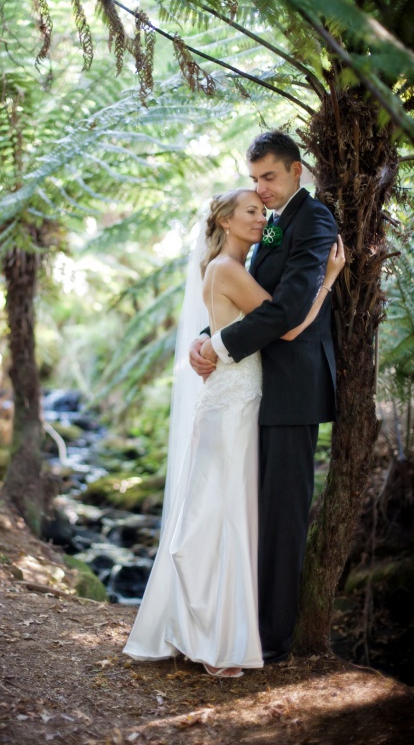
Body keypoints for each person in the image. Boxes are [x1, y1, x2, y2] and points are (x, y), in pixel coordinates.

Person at [123, 186, 344, 677]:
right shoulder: (227, 269)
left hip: (239, 400)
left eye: (263, 211)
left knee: (224, 513)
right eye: (250, 210)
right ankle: (212, 635)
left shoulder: (236, 266)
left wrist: (209, 342)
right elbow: (287, 326)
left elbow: (230, 325)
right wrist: (327, 281)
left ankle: (201, 628)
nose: (261, 215)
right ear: (225, 220)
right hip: (235, 402)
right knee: (220, 514)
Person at [191, 132, 339, 664]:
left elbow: (288, 311)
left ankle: (274, 638)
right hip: (255, 387)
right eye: (254, 180)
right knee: (254, 510)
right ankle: (242, 619)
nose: (261, 188)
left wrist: (220, 345)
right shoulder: (271, 226)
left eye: (269, 177)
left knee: (282, 514)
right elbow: (243, 303)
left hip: (293, 389)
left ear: (297, 170)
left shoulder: (315, 220)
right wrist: (206, 338)